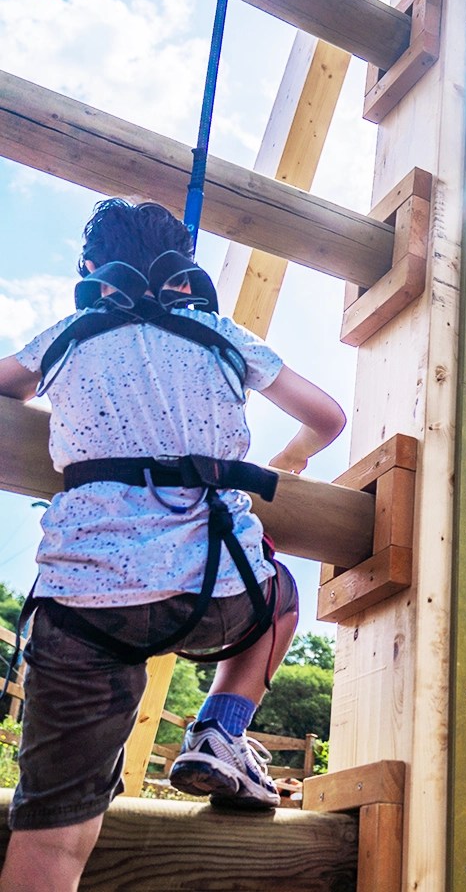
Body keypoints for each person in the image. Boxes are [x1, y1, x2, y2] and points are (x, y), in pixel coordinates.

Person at [0, 199, 347, 892]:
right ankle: (222, 726)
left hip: (81, 605)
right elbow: (328, 415)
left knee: (54, 838)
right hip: (215, 590)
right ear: (185, 273)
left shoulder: (70, 333)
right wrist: (295, 457)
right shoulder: (220, 335)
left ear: (95, 274)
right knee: (280, 593)